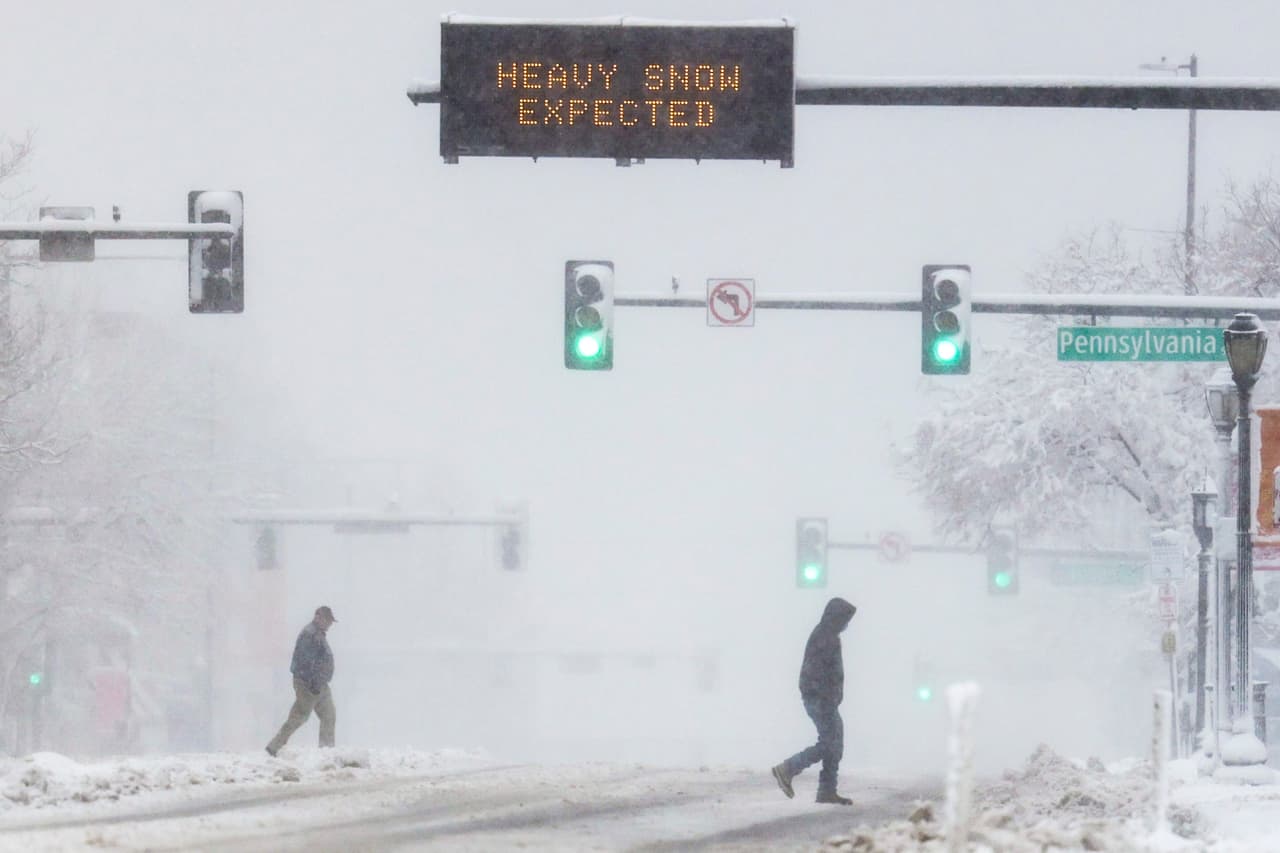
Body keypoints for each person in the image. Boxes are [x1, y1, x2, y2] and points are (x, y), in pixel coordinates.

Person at [771, 597, 856, 805]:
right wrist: (825, 696)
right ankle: (788, 769)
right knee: (829, 743)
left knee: (833, 743)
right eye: (845, 619)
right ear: (836, 617)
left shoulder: (828, 635)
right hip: (820, 699)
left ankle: (827, 790)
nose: (847, 624)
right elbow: (816, 672)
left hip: (824, 699)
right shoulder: (825, 637)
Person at [266, 605, 338, 756]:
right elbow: (305, 661)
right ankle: (274, 746)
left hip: (320, 684)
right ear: (318, 617)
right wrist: (313, 682)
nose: (330, 625)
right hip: (308, 684)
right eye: (328, 621)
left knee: (329, 715)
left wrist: (320, 681)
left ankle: (327, 752)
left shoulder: (317, 633)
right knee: (299, 716)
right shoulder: (309, 634)